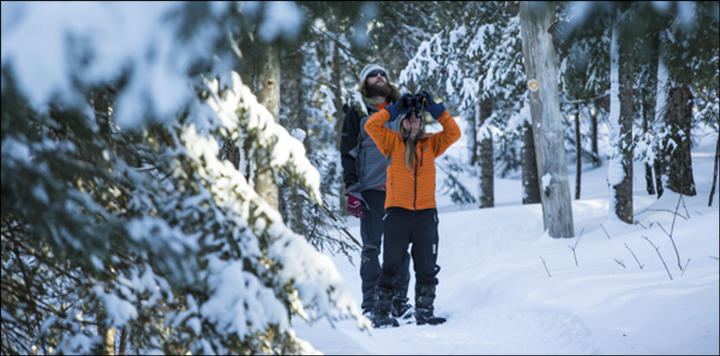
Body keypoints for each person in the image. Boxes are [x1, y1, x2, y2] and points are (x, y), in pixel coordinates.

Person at [364, 91, 461, 327]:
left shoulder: (432, 144)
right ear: (402, 123)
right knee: (391, 265)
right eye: (409, 118)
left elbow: (454, 133)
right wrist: (395, 108)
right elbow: (371, 125)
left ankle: (424, 312)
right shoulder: (391, 142)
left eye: (418, 117)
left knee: (427, 266)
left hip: (426, 214)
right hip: (398, 214)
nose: (414, 120)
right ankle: (380, 313)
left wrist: (436, 110)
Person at [339, 64, 412, 318]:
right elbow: (348, 152)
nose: (379, 76)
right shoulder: (357, 112)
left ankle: (400, 301)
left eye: (383, 73)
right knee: (371, 247)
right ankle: (371, 304)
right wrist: (353, 187)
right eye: (373, 74)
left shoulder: (402, 109)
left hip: (401, 188)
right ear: (364, 82)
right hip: (371, 188)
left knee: (401, 248)